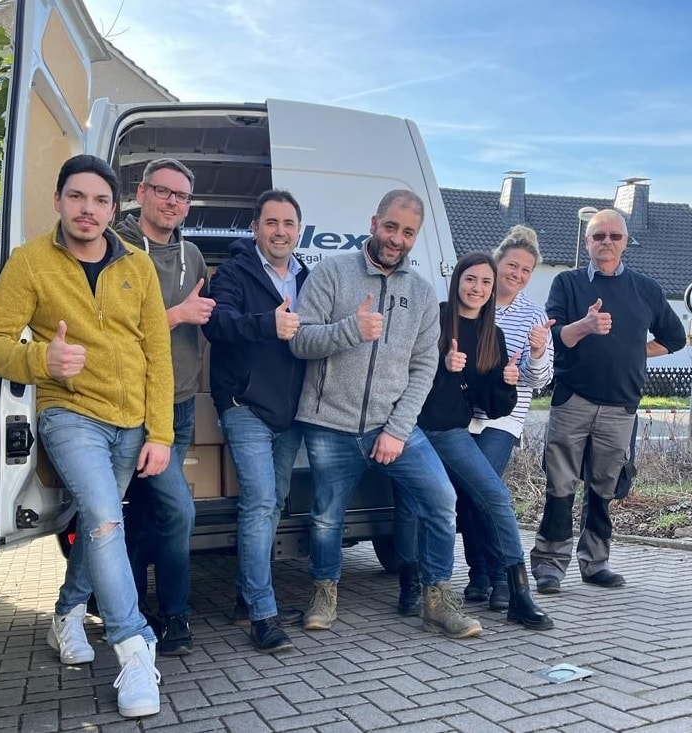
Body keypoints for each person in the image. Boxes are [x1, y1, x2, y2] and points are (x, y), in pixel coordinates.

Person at [0, 155, 173, 718]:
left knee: (95, 523)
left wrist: (159, 431)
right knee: (107, 521)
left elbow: (157, 352)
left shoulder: (138, 264)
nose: (89, 209)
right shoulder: (31, 262)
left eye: (100, 200)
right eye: (78, 197)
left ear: (114, 208)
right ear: (58, 200)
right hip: (69, 414)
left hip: (130, 422)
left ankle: (66, 614)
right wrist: (42, 359)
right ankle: (134, 648)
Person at [290, 189, 482, 639]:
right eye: (391, 226)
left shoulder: (422, 293)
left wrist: (397, 430)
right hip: (329, 424)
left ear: (416, 237)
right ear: (374, 223)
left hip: (393, 425)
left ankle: (436, 599)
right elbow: (300, 342)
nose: (397, 238)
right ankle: (323, 591)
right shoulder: (332, 272)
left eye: (408, 232)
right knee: (326, 516)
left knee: (442, 500)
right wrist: (350, 329)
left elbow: (424, 368)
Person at [394, 252, 553, 630]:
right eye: (471, 279)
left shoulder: (491, 333)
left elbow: (491, 405)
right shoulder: (433, 317)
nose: (477, 288)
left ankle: (518, 593)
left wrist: (506, 382)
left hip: (451, 432)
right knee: (411, 506)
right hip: (411, 427)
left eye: (485, 282)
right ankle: (410, 586)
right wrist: (442, 366)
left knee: (495, 495)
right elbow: (399, 371)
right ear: (457, 281)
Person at [530, 209, 686, 593]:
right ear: (587, 242)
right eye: (599, 236)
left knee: (603, 490)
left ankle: (595, 563)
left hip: (620, 406)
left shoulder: (646, 289)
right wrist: (585, 326)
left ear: (626, 242)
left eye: (615, 236)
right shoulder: (567, 283)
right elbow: (555, 339)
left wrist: (635, 351)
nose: (607, 242)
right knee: (560, 486)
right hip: (573, 399)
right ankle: (549, 566)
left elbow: (675, 338)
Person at [114, 158, 215, 656]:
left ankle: (133, 611)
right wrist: (177, 315)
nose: (172, 202)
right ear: (141, 192)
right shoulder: (116, 247)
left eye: (182, 196)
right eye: (163, 191)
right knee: (178, 510)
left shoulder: (192, 255)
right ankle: (175, 614)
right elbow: (110, 330)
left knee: (147, 513)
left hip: (180, 403)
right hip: (133, 406)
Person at [202, 190, 308, 654]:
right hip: (243, 404)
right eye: (271, 222)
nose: (280, 231)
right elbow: (216, 325)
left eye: (288, 223)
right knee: (261, 501)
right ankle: (263, 614)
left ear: (298, 230)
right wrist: (268, 323)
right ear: (255, 228)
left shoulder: (307, 276)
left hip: (291, 412)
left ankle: (248, 598)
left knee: (274, 501)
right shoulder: (233, 272)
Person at [460, 225, 554, 610]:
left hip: (503, 418)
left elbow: (541, 379)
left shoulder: (534, 315)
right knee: (466, 494)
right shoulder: (473, 299)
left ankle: (500, 577)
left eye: (525, 270)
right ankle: (479, 574)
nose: (517, 274)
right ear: (496, 262)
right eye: (512, 265)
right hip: (462, 414)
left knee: (483, 489)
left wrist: (537, 352)